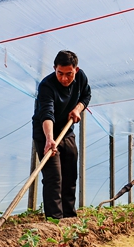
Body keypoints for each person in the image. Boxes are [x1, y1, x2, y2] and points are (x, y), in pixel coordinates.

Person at [32, 50, 91, 219]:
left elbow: (86, 95)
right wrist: (49, 139)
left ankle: (69, 218)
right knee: (54, 178)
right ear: (54, 69)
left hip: (66, 130)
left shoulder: (81, 78)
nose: (64, 78)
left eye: (69, 74)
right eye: (60, 73)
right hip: (46, 132)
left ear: (76, 70)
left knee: (70, 174)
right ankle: (55, 222)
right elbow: (47, 113)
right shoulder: (47, 86)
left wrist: (77, 109)